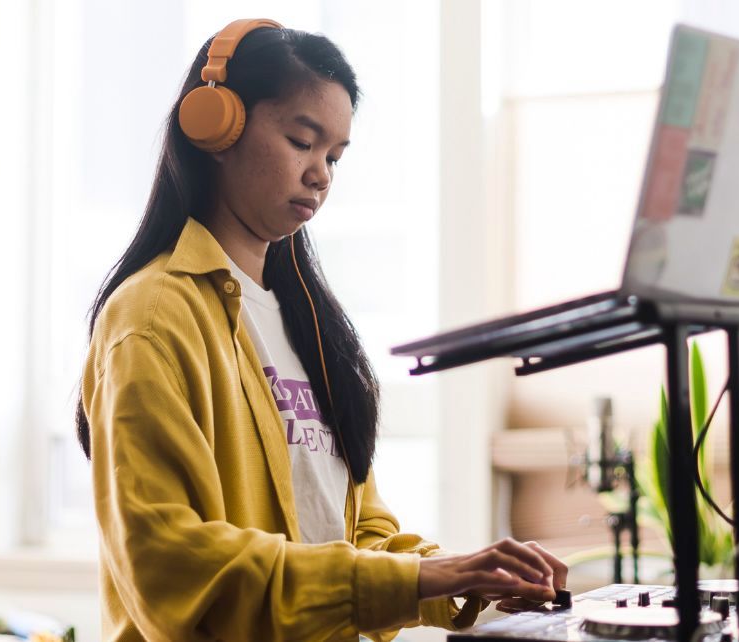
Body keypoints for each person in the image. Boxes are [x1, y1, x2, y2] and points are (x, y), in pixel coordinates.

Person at [76, 18, 567, 642]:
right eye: (302, 141)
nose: (321, 175)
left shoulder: (307, 322)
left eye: (334, 155)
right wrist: (424, 581)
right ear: (216, 127)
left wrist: (465, 578)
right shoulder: (150, 319)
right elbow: (172, 569)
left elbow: (359, 533)